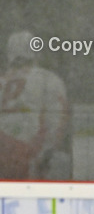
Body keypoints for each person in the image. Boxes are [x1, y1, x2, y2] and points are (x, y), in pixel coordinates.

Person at [0, 31, 71, 180]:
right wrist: (45, 154)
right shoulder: (48, 79)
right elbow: (58, 120)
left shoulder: (2, 81)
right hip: (28, 154)